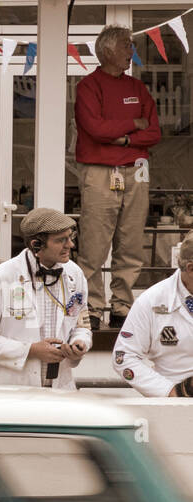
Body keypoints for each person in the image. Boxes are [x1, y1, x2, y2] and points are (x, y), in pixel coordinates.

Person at [75, 24, 161, 328]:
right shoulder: (89, 86)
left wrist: (123, 138)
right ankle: (94, 306)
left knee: (132, 239)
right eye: (127, 46)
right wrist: (133, 123)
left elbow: (154, 131)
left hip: (137, 169)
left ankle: (122, 304)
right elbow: (95, 130)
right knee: (95, 241)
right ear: (108, 50)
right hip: (99, 171)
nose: (131, 52)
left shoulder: (137, 87)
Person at [0, 208, 92, 390]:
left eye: (70, 237)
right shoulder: (1, 277)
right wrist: (31, 350)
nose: (71, 245)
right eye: (61, 240)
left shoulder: (75, 274)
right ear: (36, 245)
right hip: (13, 391)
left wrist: (79, 344)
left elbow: (81, 325)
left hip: (60, 387)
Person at [113, 230, 193, 396]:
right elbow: (123, 357)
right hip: (175, 406)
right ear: (191, 268)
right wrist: (171, 391)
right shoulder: (151, 300)